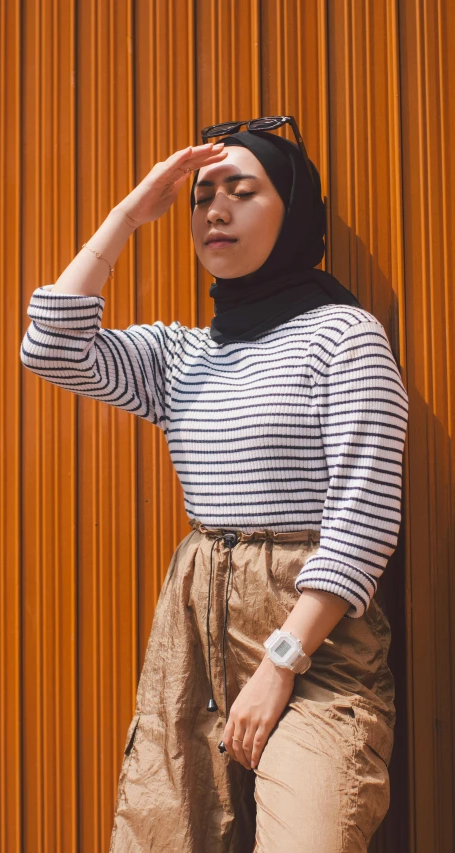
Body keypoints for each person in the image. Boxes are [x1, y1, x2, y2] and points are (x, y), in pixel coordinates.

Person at [20, 120, 409, 853]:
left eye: (242, 191)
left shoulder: (344, 336)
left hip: (317, 644)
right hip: (193, 640)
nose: (215, 212)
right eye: (201, 196)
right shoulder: (181, 355)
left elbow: (364, 518)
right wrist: (130, 215)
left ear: (291, 210)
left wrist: (280, 665)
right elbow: (50, 345)